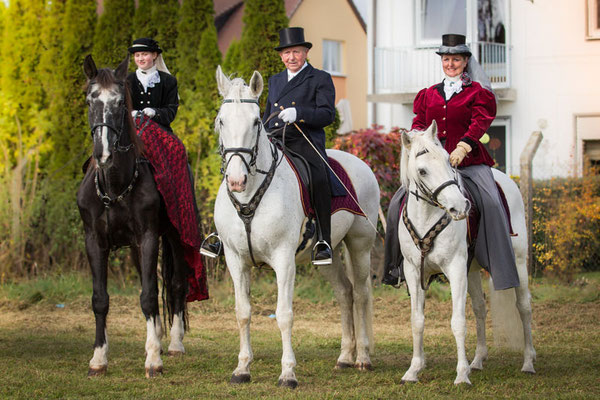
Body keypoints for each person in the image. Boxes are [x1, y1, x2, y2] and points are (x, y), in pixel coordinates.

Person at [381, 34, 520, 291]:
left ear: (465, 61)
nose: (451, 64)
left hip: (469, 162)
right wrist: (414, 137)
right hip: (434, 166)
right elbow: (420, 122)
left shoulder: (477, 92)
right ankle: (396, 267)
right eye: (446, 59)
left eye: (456, 59)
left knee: (490, 201)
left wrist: (464, 145)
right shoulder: (428, 94)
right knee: (395, 204)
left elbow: (481, 120)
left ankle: (498, 265)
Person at [201, 27, 336, 265]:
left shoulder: (320, 78)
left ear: (305, 52)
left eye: (295, 51)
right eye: (286, 53)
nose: (291, 57)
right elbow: (263, 117)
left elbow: (327, 115)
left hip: (305, 141)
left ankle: (323, 240)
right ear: (281, 56)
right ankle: (220, 235)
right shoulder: (275, 80)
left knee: (318, 176)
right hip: (275, 138)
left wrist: (299, 113)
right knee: (235, 169)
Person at [127, 38, 178, 132]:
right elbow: (118, 107)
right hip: (130, 132)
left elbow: (171, 111)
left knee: (176, 147)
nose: (140, 59)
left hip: (160, 131)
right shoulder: (126, 80)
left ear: (154, 55)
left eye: (144, 54)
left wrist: (155, 112)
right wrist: (130, 113)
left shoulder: (169, 81)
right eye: (137, 55)